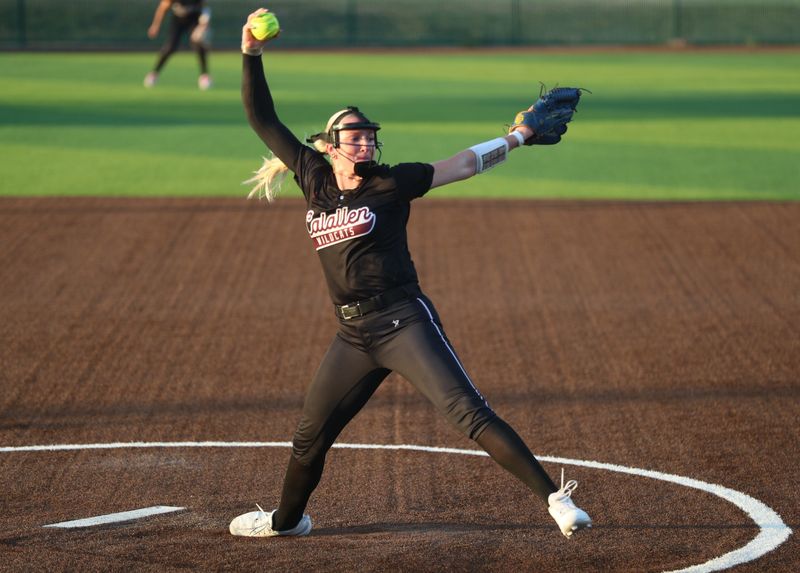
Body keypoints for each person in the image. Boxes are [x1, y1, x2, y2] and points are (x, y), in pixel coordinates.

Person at [229, 8, 592, 540]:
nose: (366, 141)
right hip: (352, 336)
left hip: (404, 321)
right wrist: (250, 53)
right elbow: (262, 118)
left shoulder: (392, 184)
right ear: (330, 146)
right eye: (354, 135)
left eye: (369, 134)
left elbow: (461, 164)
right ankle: (287, 522)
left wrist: (517, 137)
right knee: (309, 439)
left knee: (468, 412)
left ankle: (556, 501)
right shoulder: (314, 177)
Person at [144, 0, 212, 90]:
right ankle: (154, 74)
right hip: (178, 20)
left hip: (194, 19)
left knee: (199, 44)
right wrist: (155, 26)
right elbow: (162, 8)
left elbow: (205, 9)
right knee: (170, 47)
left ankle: (204, 76)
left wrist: (202, 26)